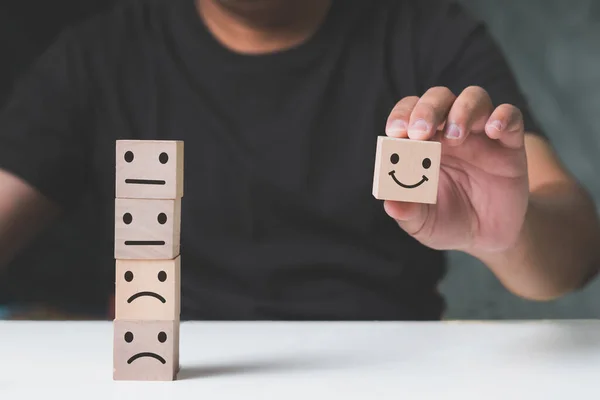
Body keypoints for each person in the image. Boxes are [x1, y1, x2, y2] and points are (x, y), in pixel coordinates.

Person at [0, 0, 599, 321]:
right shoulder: (101, 53)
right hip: (183, 369)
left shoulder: (430, 33)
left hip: (393, 371)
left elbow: (572, 256)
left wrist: (505, 237)